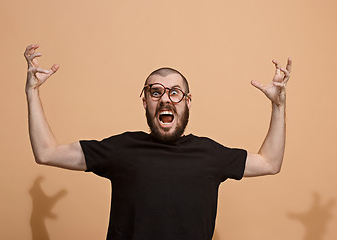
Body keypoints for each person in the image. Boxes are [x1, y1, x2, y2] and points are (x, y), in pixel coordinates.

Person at [24, 44, 292, 240]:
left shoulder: (210, 154)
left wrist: (278, 106)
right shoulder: (121, 149)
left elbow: (270, 162)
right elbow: (46, 153)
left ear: (187, 101)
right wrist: (32, 92)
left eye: (175, 92)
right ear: (145, 102)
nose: (165, 99)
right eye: (156, 92)